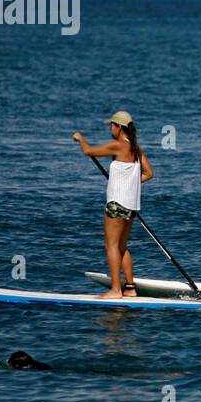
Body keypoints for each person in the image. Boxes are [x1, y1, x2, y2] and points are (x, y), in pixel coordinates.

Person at [73, 110, 153, 298]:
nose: (110, 128)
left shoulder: (117, 146)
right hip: (131, 205)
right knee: (122, 246)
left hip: (117, 203)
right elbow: (149, 173)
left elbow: (88, 151)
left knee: (111, 246)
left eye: (112, 125)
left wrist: (80, 138)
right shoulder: (135, 148)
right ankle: (130, 288)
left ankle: (116, 290)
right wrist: (129, 182)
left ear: (119, 127)